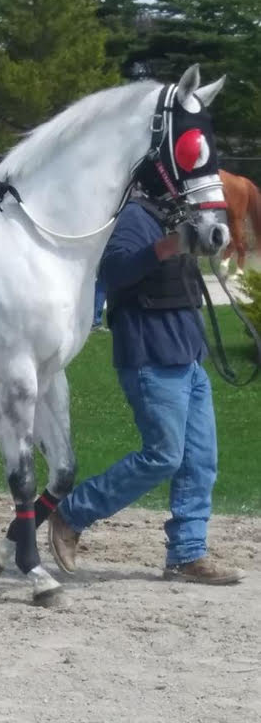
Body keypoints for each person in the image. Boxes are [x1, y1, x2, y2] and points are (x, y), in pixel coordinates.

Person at [48, 195, 244, 585]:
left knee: (200, 460)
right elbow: (114, 270)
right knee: (164, 456)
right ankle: (72, 514)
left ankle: (187, 554)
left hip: (188, 356)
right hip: (151, 354)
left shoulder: (177, 215)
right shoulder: (133, 216)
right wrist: (167, 247)